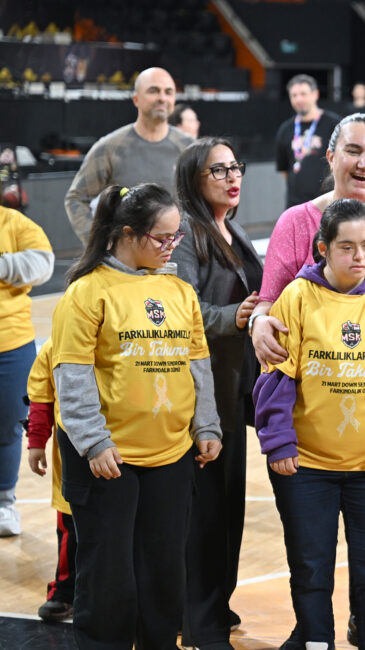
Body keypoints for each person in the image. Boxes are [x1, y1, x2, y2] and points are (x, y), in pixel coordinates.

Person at [252, 112, 365, 649]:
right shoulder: (296, 223)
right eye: (354, 150)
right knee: (309, 556)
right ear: (329, 156)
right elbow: (275, 296)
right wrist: (262, 321)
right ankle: (314, 633)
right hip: (312, 416)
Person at [51, 183, 222, 649]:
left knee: (164, 575)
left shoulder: (179, 291)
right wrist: (94, 441)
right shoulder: (87, 292)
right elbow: (72, 373)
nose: (171, 247)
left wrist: (206, 425)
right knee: (108, 582)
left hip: (171, 454)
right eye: (162, 238)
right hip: (108, 459)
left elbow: (197, 363)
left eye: (176, 237)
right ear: (127, 233)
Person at [174, 137, 263, 649]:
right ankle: (197, 614)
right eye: (219, 170)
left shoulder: (234, 231)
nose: (233, 177)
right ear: (194, 179)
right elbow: (181, 312)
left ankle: (215, 603)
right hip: (200, 391)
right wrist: (237, 316)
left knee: (228, 505)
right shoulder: (187, 232)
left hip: (233, 387)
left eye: (236, 167)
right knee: (205, 510)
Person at [65, 67, 194, 243]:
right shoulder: (109, 147)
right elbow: (76, 199)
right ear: (136, 99)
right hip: (128, 263)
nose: (162, 98)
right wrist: (99, 244)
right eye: (153, 91)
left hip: (180, 257)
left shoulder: (189, 147)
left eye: (168, 92)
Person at [0, 204, 53, 535]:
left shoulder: (13, 221)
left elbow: (43, 264)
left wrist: (3, 264)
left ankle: (4, 502)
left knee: (7, 425)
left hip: (10, 343)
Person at [25, 339, 77, 622]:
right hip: (70, 462)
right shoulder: (55, 345)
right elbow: (41, 397)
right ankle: (65, 592)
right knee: (70, 533)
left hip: (127, 454)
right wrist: (36, 441)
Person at [275, 74, 342, 209]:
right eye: (294, 95)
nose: (299, 99)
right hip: (296, 205)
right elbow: (285, 170)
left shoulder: (335, 125)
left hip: (328, 203)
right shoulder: (285, 129)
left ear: (315, 94)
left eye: (303, 94)